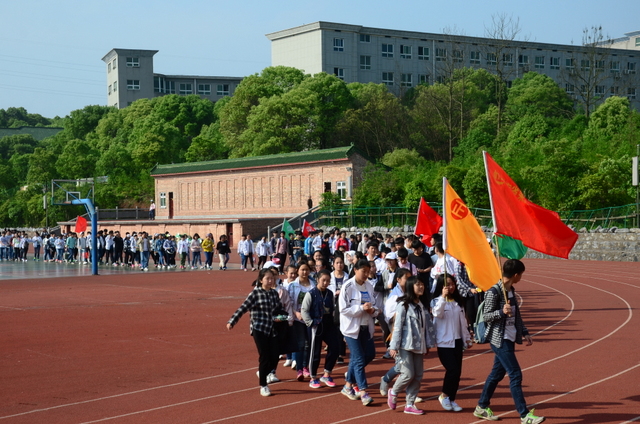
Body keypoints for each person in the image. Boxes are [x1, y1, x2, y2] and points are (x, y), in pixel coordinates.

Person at [473, 259, 545, 424]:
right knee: (515, 374)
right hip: (499, 339)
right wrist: (501, 312)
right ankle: (524, 415)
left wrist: (524, 332)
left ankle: (481, 406)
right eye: (521, 274)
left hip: (510, 337)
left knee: (496, 374)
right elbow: (486, 316)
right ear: (516, 275)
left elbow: (516, 315)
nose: (521, 277)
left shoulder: (511, 291)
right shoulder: (493, 292)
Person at [227, 268, 284, 397]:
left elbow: (279, 310)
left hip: (272, 328)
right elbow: (243, 308)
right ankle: (263, 385)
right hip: (259, 328)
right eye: (267, 278)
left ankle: (263, 372)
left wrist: (285, 318)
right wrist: (232, 321)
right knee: (264, 356)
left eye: (272, 278)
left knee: (275, 355)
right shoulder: (255, 294)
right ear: (261, 280)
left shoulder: (274, 294)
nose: (270, 281)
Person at [387, 276, 435, 415]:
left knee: (418, 375)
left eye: (422, 284)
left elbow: (426, 326)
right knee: (408, 374)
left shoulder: (421, 305)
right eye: (417, 284)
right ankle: (394, 391)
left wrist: (428, 344)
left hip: (419, 345)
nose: (421, 287)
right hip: (405, 345)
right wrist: (393, 346)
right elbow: (397, 326)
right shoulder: (403, 305)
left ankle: (410, 404)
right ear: (410, 287)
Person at [339, 259, 380, 406]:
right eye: (363, 271)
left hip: (366, 327)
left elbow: (375, 306)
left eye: (368, 272)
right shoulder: (348, 286)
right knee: (359, 359)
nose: (366, 274)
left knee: (369, 354)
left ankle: (347, 385)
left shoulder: (369, 286)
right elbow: (343, 309)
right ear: (355, 270)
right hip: (351, 329)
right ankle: (363, 392)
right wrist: (361, 308)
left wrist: (373, 311)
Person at [431, 274, 472, 413]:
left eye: (452, 284)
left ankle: (452, 399)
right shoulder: (436, 301)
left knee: (457, 372)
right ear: (441, 286)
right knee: (452, 369)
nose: (451, 287)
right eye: (447, 284)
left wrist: (467, 338)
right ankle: (444, 395)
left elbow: (463, 322)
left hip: (457, 341)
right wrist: (443, 297)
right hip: (444, 342)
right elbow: (437, 313)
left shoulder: (457, 302)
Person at [301, 269, 339, 389]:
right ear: (317, 279)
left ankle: (327, 374)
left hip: (328, 324)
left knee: (335, 347)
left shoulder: (330, 294)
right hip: (315, 325)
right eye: (323, 280)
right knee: (315, 352)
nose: (325, 283)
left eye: (328, 281)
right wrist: (310, 323)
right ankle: (313, 377)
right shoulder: (311, 294)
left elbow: (333, 308)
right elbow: (304, 310)